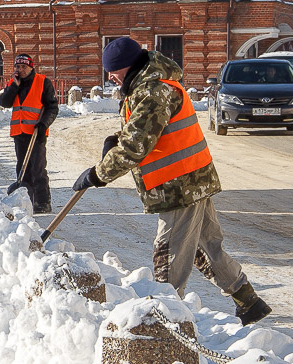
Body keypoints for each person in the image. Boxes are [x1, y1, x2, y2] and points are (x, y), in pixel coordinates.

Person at [72, 36, 272, 325]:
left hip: (179, 186)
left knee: (167, 256)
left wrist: (97, 174)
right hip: (193, 179)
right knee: (206, 248)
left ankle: (162, 323)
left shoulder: (154, 91)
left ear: (127, 67)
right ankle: (248, 300)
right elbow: (147, 132)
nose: (111, 77)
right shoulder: (149, 86)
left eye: (113, 71)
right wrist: (115, 140)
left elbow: (136, 146)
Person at [0, 53, 59, 213]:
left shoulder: (42, 82)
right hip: (19, 132)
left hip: (36, 132)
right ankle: (26, 201)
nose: (20, 70)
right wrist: (14, 86)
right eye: (17, 67)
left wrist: (43, 124)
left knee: (37, 168)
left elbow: (52, 107)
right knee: (22, 167)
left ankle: (42, 202)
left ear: (31, 67)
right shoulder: (14, 83)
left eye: (23, 67)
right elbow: (4, 102)